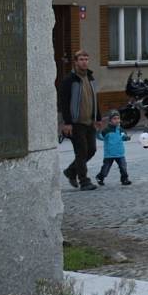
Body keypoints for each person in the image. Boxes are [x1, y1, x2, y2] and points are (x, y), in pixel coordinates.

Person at [58, 49, 100, 191]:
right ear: (75, 62)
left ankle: (71, 171)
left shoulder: (90, 77)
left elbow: (95, 99)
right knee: (81, 151)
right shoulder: (69, 80)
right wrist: (67, 122)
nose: (84, 62)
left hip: (89, 121)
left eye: (86, 59)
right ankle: (84, 181)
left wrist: (97, 118)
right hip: (76, 123)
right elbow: (63, 103)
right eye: (81, 59)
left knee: (92, 150)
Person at [95, 109, 132, 186]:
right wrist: (97, 131)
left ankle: (124, 179)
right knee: (105, 169)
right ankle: (100, 177)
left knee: (123, 167)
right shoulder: (106, 130)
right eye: (114, 118)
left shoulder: (121, 130)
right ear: (110, 120)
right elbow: (100, 137)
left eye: (118, 118)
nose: (117, 120)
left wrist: (127, 137)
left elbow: (123, 137)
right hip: (109, 154)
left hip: (120, 153)